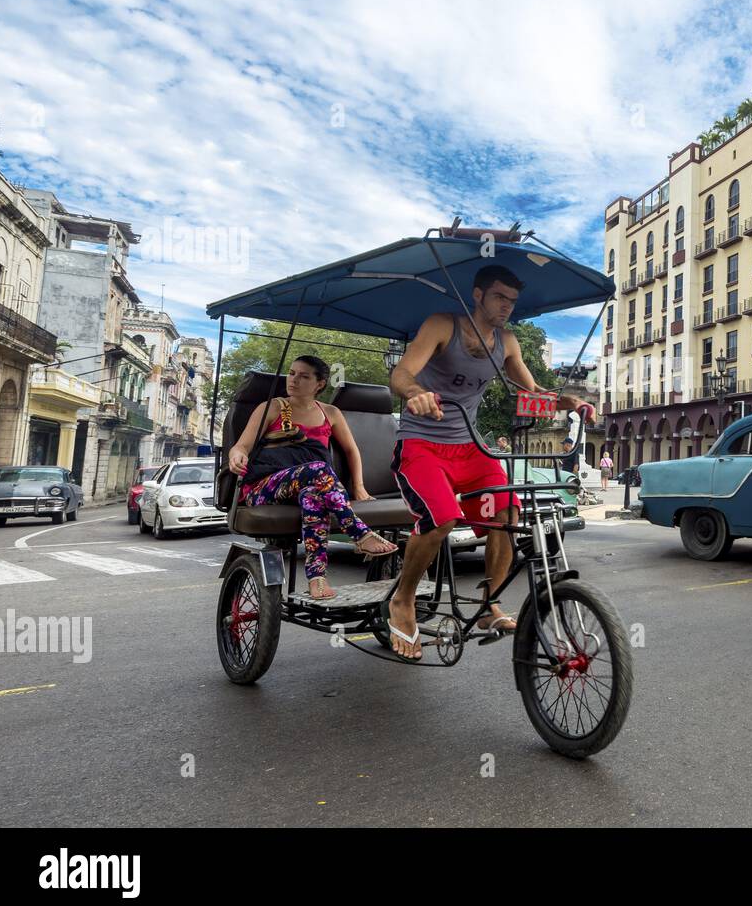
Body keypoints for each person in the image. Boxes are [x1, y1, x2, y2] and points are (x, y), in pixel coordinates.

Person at [386, 265, 594, 660]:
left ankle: (488, 605)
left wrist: (571, 403)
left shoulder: (508, 341)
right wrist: (415, 392)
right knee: (442, 517)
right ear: (478, 295)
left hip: (468, 447)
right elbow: (402, 372)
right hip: (421, 443)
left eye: (512, 301)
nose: (506, 307)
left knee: (508, 514)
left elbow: (532, 393)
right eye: (500, 298)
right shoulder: (442, 325)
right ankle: (403, 598)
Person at [228, 354, 397, 600]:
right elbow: (241, 446)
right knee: (318, 468)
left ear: (319, 384)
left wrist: (359, 487)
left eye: (303, 376)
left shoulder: (331, 413)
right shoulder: (272, 407)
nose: (293, 380)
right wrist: (236, 456)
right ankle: (360, 534)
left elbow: (351, 450)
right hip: (265, 486)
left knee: (314, 497)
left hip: (310, 486)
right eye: (292, 373)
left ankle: (317, 578)